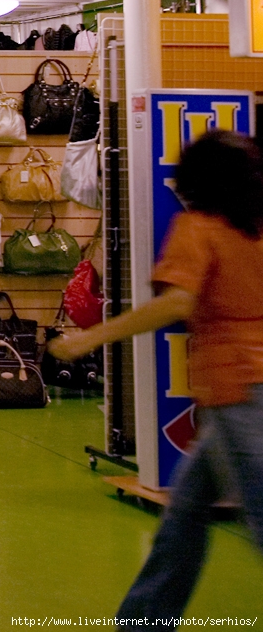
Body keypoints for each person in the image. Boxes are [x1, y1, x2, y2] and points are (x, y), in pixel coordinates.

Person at [48, 131, 263, 621]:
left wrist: (89, 338)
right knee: (184, 517)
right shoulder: (253, 227)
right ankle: (145, 619)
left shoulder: (198, 228)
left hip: (235, 387)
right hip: (238, 388)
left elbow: (176, 302)